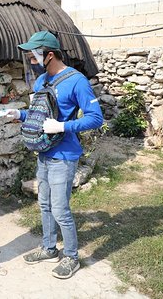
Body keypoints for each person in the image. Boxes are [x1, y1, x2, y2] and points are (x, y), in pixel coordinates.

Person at [9, 31, 103, 279]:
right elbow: (38, 114)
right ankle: (49, 248)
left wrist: (63, 126)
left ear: (49, 55)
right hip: (44, 152)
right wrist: (19, 115)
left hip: (64, 155)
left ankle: (71, 257)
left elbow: (96, 118)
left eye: (33, 54)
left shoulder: (77, 81)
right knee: (44, 204)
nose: (30, 58)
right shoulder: (41, 82)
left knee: (60, 209)